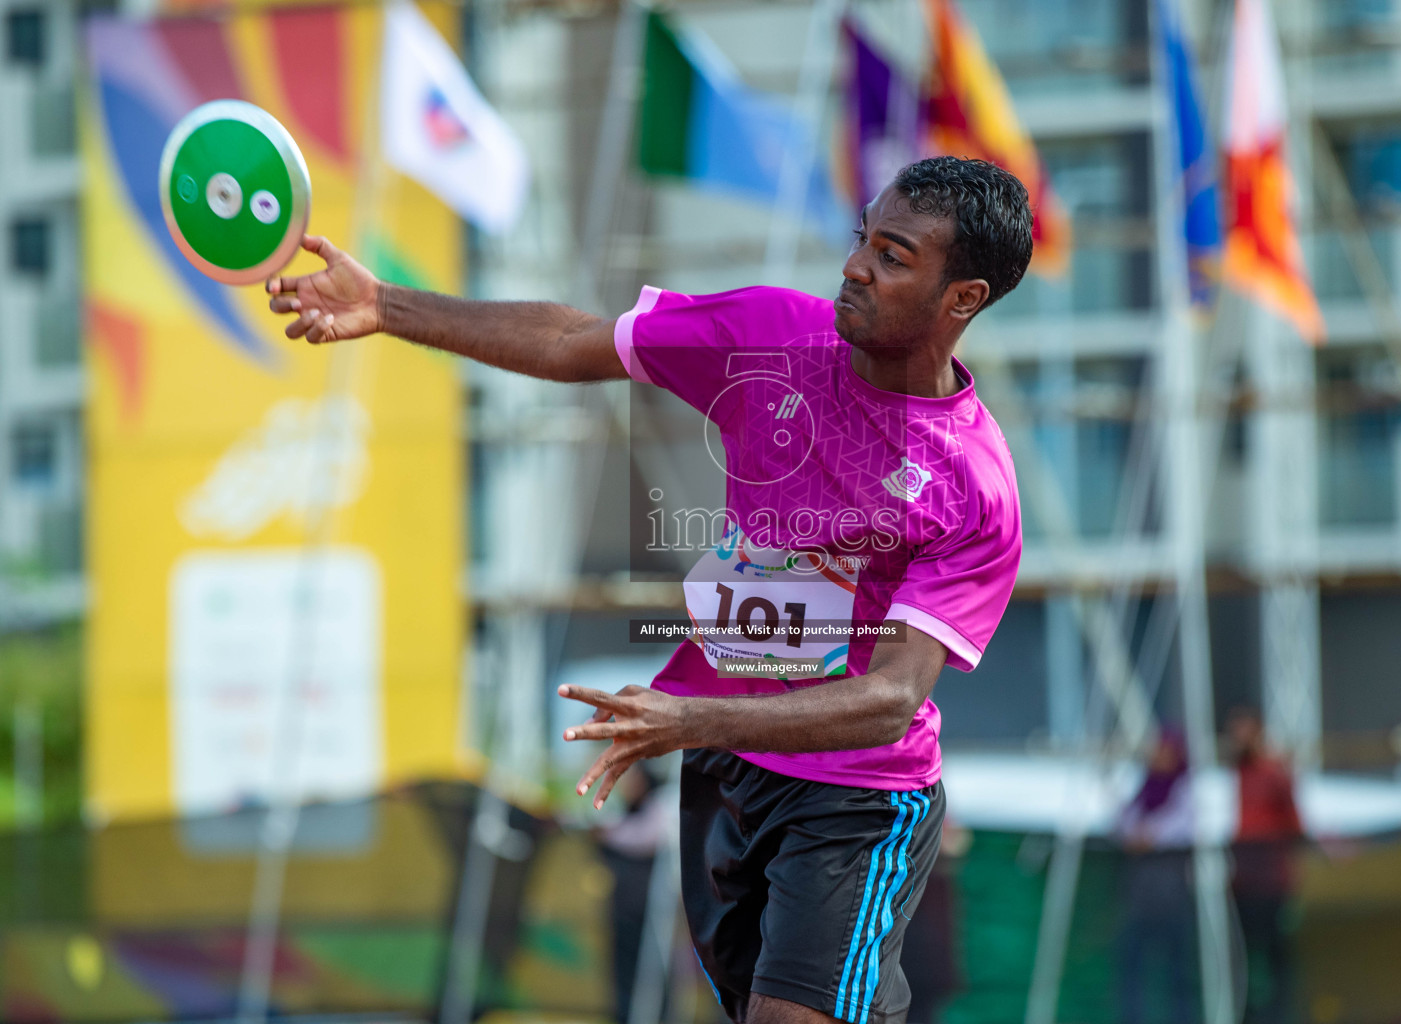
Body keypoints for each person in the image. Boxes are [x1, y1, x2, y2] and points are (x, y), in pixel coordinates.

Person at [267, 155, 1029, 1024]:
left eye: (893, 256)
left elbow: (891, 699)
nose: (856, 265)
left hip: (859, 795)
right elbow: (567, 342)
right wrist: (385, 306)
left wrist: (688, 718)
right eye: (864, 238)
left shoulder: (974, 485)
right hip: (728, 776)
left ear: (961, 298)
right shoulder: (770, 335)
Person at [1226, 707, 1304, 1024]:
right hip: (1241, 879)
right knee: (1241, 958)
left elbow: (1294, 824)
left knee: (1274, 957)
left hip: (1269, 879)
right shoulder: (1235, 773)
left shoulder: (1273, 773)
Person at [1115, 728, 1197, 1024]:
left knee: (1177, 968)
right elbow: (1125, 826)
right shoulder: (1142, 791)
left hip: (1171, 893)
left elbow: (1172, 829)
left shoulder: (1185, 790)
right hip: (1141, 895)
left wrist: (1146, 837)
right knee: (1133, 965)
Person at [597, 763, 670, 1024]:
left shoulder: (661, 804)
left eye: (631, 777)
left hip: (649, 914)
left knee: (650, 981)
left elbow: (650, 836)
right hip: (626, 912)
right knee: (624, 981)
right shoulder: (625, 810)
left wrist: (608, 834)